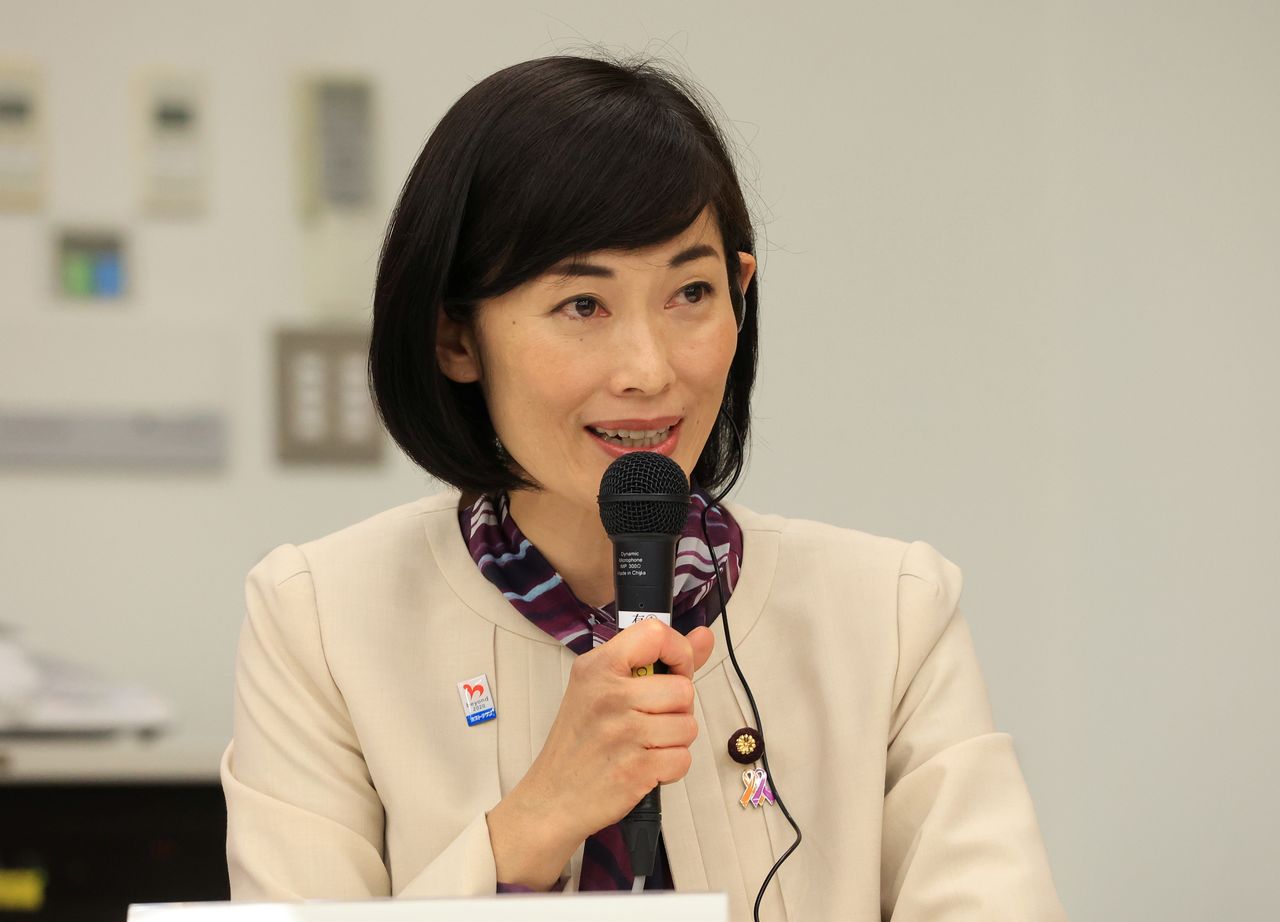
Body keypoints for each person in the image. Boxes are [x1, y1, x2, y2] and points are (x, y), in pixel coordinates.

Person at [219, 53, 1069, 921]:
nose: (649, 370)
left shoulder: (891, 613)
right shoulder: (320, 618)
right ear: (455, 338)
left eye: (690, 292)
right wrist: (535, 822)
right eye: (583, 305)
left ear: (741, 295)